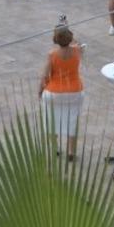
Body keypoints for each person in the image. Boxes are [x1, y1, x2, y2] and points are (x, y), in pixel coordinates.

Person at [38, 25, 84, 161]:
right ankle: (71, 152)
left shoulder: (52, 55)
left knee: (52, 120)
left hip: (54, 92)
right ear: (70, 37)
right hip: (74, 91)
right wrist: (68, 33)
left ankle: (55, 148)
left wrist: (40, 91)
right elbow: (77, 43)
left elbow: (45, 76)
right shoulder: (77, 51)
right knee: (72, 121)